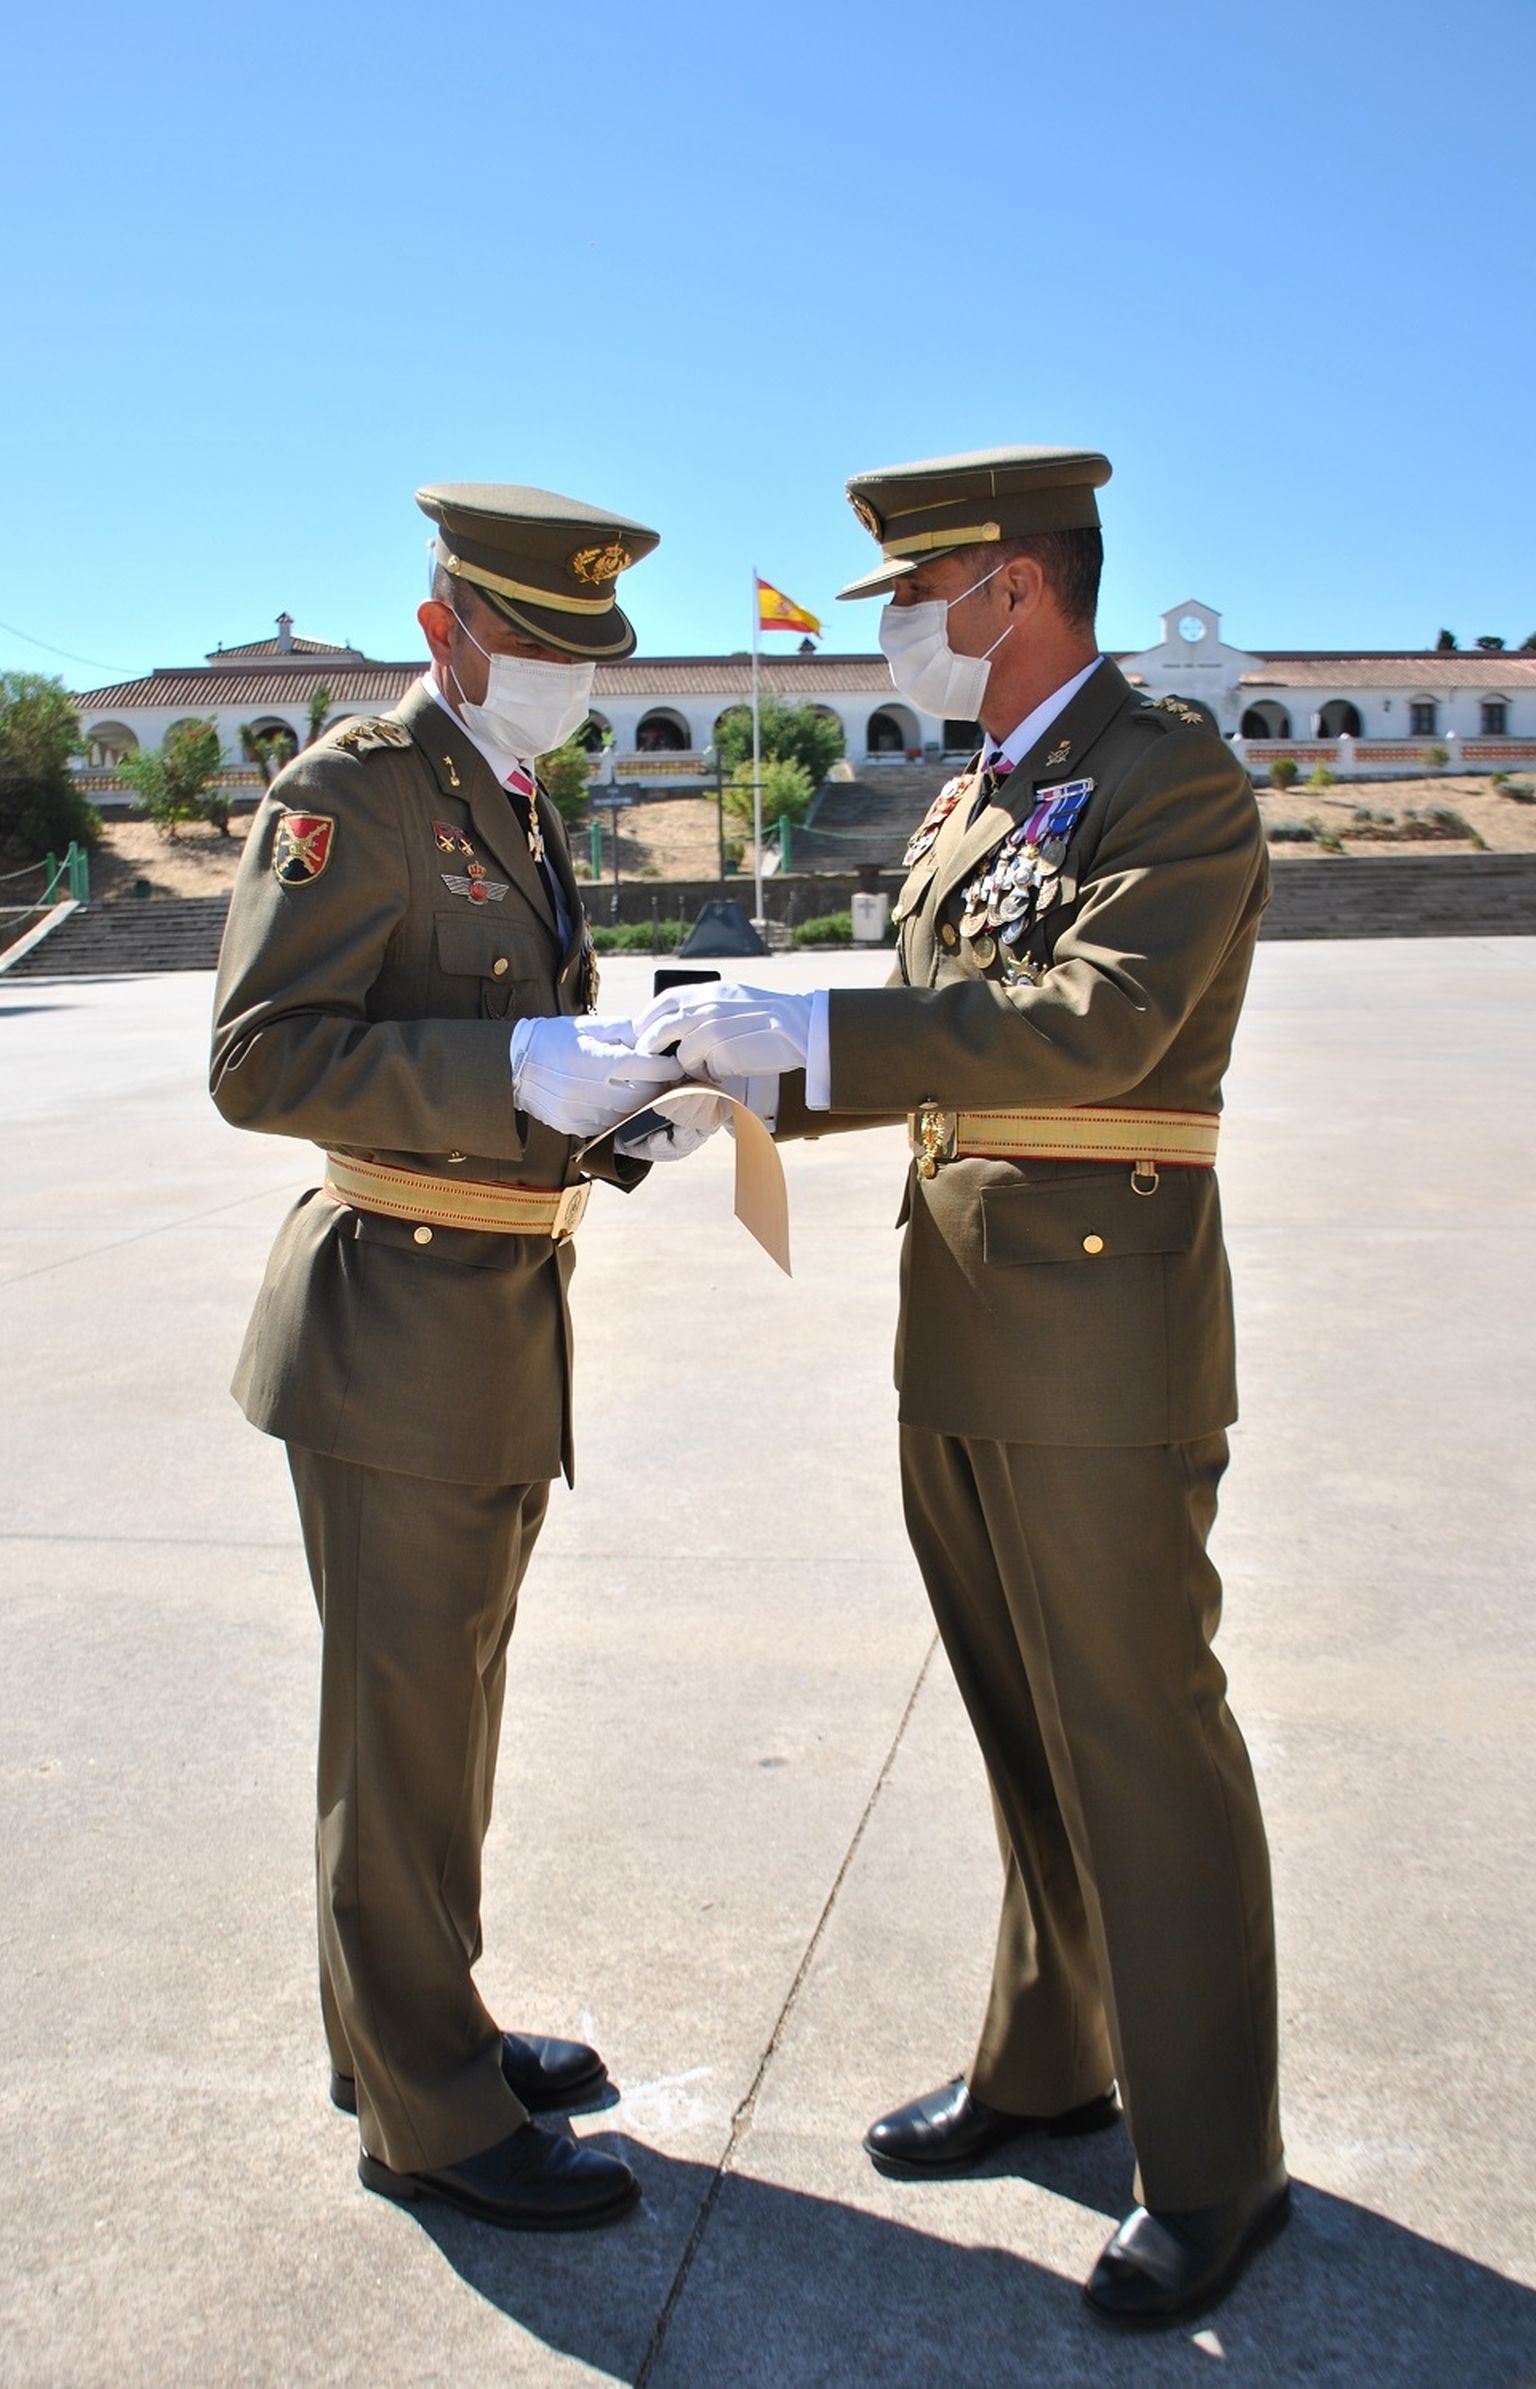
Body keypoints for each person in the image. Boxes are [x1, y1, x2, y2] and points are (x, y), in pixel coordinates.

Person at [635, 446, 1286, 2326]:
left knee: (1139, 1727)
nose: (905, 635)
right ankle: (1046, 2057)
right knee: (1020, 1710)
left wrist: (818, 1037)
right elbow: (940, 1024)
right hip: (967, 1314)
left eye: (919, 600)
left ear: (1013, 587)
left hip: (1103, 1320)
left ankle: (1218, 2164)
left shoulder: (1171, 772)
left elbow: (1100, 1022)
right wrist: (731, 1069)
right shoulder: (973, 797)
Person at [210, 481, 710, 2234]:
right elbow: (263, 1057)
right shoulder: (348, 790)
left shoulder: (508, 797)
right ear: (448, 628)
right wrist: (507, 1064)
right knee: (405, 1717)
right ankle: (429, 2115)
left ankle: (422, 2024)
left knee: (446, 1711)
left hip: (495, 1311)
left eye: (591, 654)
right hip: (391, 1319)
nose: (569, 678)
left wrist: (616, 1109)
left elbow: (517, 1047)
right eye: (543, 644)